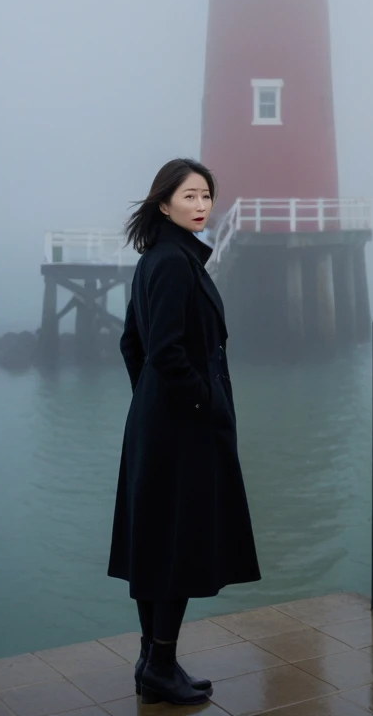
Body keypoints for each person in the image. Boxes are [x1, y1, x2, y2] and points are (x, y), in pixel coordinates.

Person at [108, 158, 261, 705]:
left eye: (207, 197)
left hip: (159, 420)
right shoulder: (174, 262)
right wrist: (203, 402)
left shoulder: (158, 257)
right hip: (184, 424)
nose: (201, 206)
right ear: (164, 202)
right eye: (191, 196)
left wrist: (149, 401)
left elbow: (133, 345)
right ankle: (160, 665)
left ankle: (154, 662)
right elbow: (167, 350)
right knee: (176, 545)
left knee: (154, 541)